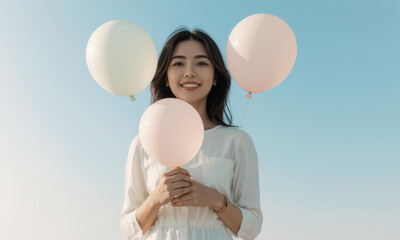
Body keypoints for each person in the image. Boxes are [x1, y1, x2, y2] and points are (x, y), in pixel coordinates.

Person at [120, 28, 262, 240]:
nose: (189, 72)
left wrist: (216, 200)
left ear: (215, 77)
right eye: (178, 63)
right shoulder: (142, 144)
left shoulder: (237, 142)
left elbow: (251, 228)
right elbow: (129, 229)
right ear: (166, 77)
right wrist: (156, 199)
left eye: (201, 63)